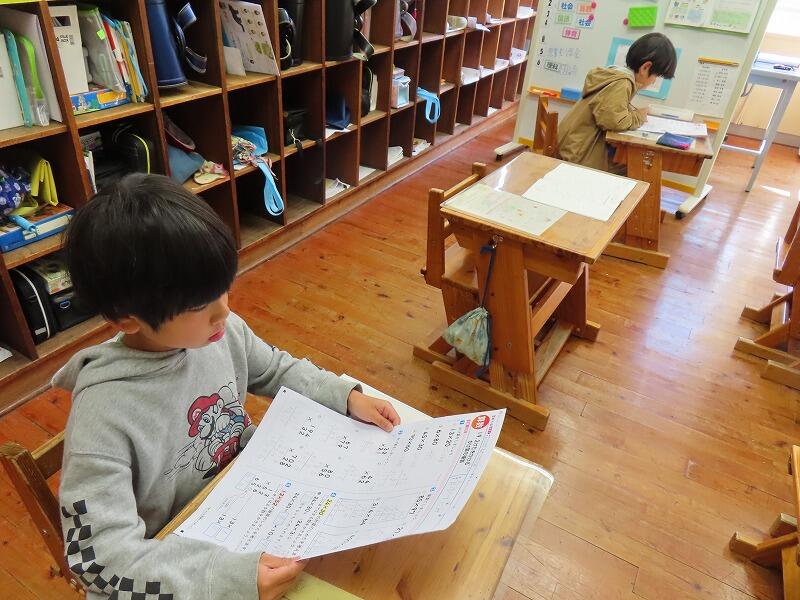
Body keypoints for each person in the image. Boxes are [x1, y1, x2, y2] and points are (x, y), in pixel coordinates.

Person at [54, 173, 401, 600]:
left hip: (247, 504)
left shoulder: (219, 331)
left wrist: (344, 397)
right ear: (127, 319)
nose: (225, 311)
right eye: (202, 303)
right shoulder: (103, 417)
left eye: (224, 290)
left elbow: (274, 369)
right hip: (181, 565)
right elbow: (99, 561)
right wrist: (226, 579)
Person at [556, 32, 678, 172]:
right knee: (637, 167)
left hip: (574, 144)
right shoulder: (622, 83)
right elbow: (614, 121)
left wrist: (634, 113)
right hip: (578, 153)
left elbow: (611, 112)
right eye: (657, 75)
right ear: (645, 68)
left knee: (633, 164)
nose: (654, 81)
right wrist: (639, 116)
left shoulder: (616, 74)